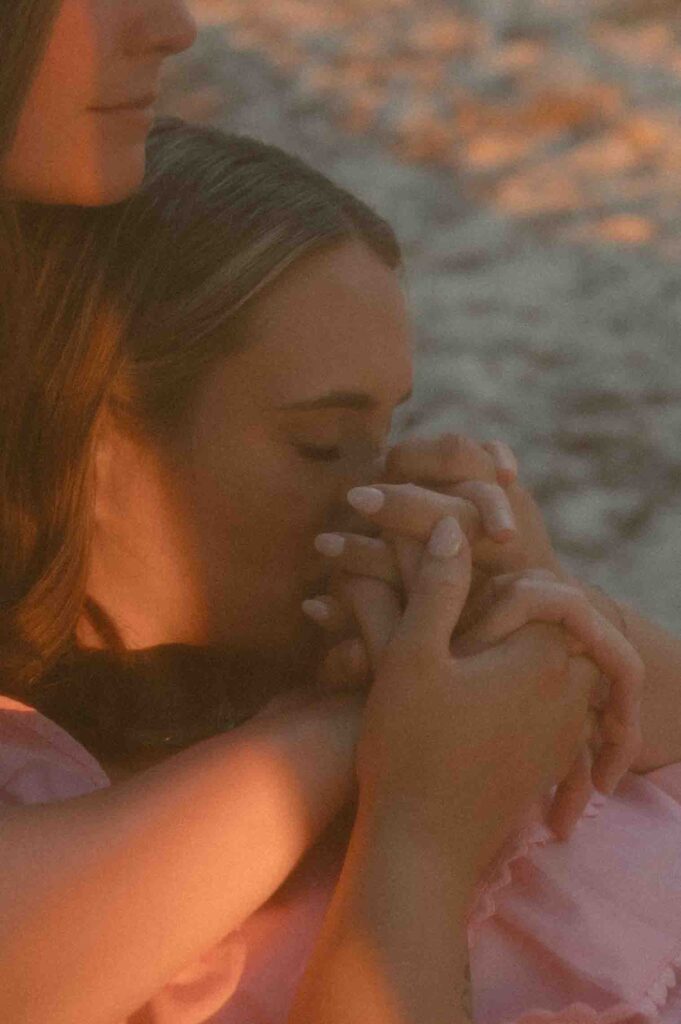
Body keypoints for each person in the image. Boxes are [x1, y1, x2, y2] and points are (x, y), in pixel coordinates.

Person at [1, 115, 680, 1024]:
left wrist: (551, 610)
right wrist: (413, 810)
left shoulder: (328, 654)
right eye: (320, 445)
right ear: (90, 445)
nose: (377, 490)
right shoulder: (46, 808)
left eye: (388, 429)